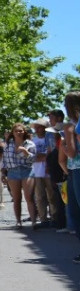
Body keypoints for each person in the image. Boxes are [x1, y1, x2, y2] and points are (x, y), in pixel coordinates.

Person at [1, 123, 36, 228]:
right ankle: (18, 221)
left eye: (21, 131)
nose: (19, 133)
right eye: (16, 131)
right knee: (16, 198)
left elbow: (33, 159)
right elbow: (5, 160)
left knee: (29, 197)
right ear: (13, 133)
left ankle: (34, 221)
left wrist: (26, 152)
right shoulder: (8, 144)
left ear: (24, 132)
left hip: (27, 170)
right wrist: (3, 173)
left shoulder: (30, 144)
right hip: (13, 171)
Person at [60, 92, 80, 261]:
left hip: (76, 169)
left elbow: (71, 153)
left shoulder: (69, 126)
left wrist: (64, 145)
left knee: (75, 211)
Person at [29, 118, 55, 230]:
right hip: (36, 171)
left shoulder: (50, 139)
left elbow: (51, 154)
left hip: (49, 171)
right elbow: (31, 156)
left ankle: (54, 217)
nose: (37, 129)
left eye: (39, 127)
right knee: (39, 197)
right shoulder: (32, 141)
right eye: (36, 127)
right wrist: (43, 156)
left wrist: (43, 156)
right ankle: (43, 218)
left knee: (52, 196)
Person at [46, 108, 68, 230]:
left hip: (64, 165)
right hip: (54, 166)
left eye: (51, 117)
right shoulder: (49, 133)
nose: (49, 120)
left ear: (59, 118)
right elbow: (49, 150)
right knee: (58, 195)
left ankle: (67, 223)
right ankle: (60, 221)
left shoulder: (66, 130)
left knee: (66, 195)